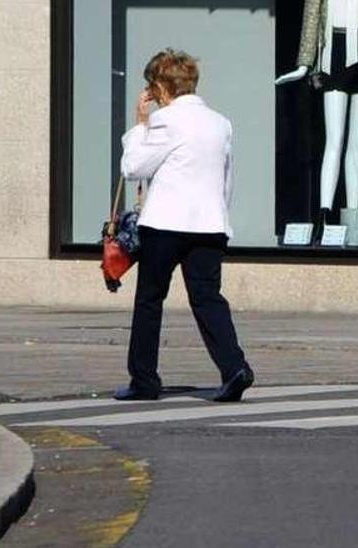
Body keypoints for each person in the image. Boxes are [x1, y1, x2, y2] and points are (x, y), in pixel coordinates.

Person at [114, 49, 255, 403]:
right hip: (210, 224)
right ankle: (234, 367)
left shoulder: (166, 120)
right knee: (207, 298)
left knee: (150, 300)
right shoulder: (220, 122)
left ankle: (144, 381)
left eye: (152, 85)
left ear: (161, 87)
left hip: (165, 224)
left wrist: (139, 124)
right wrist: (221, 216)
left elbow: (133, 168)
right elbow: (227, 178)